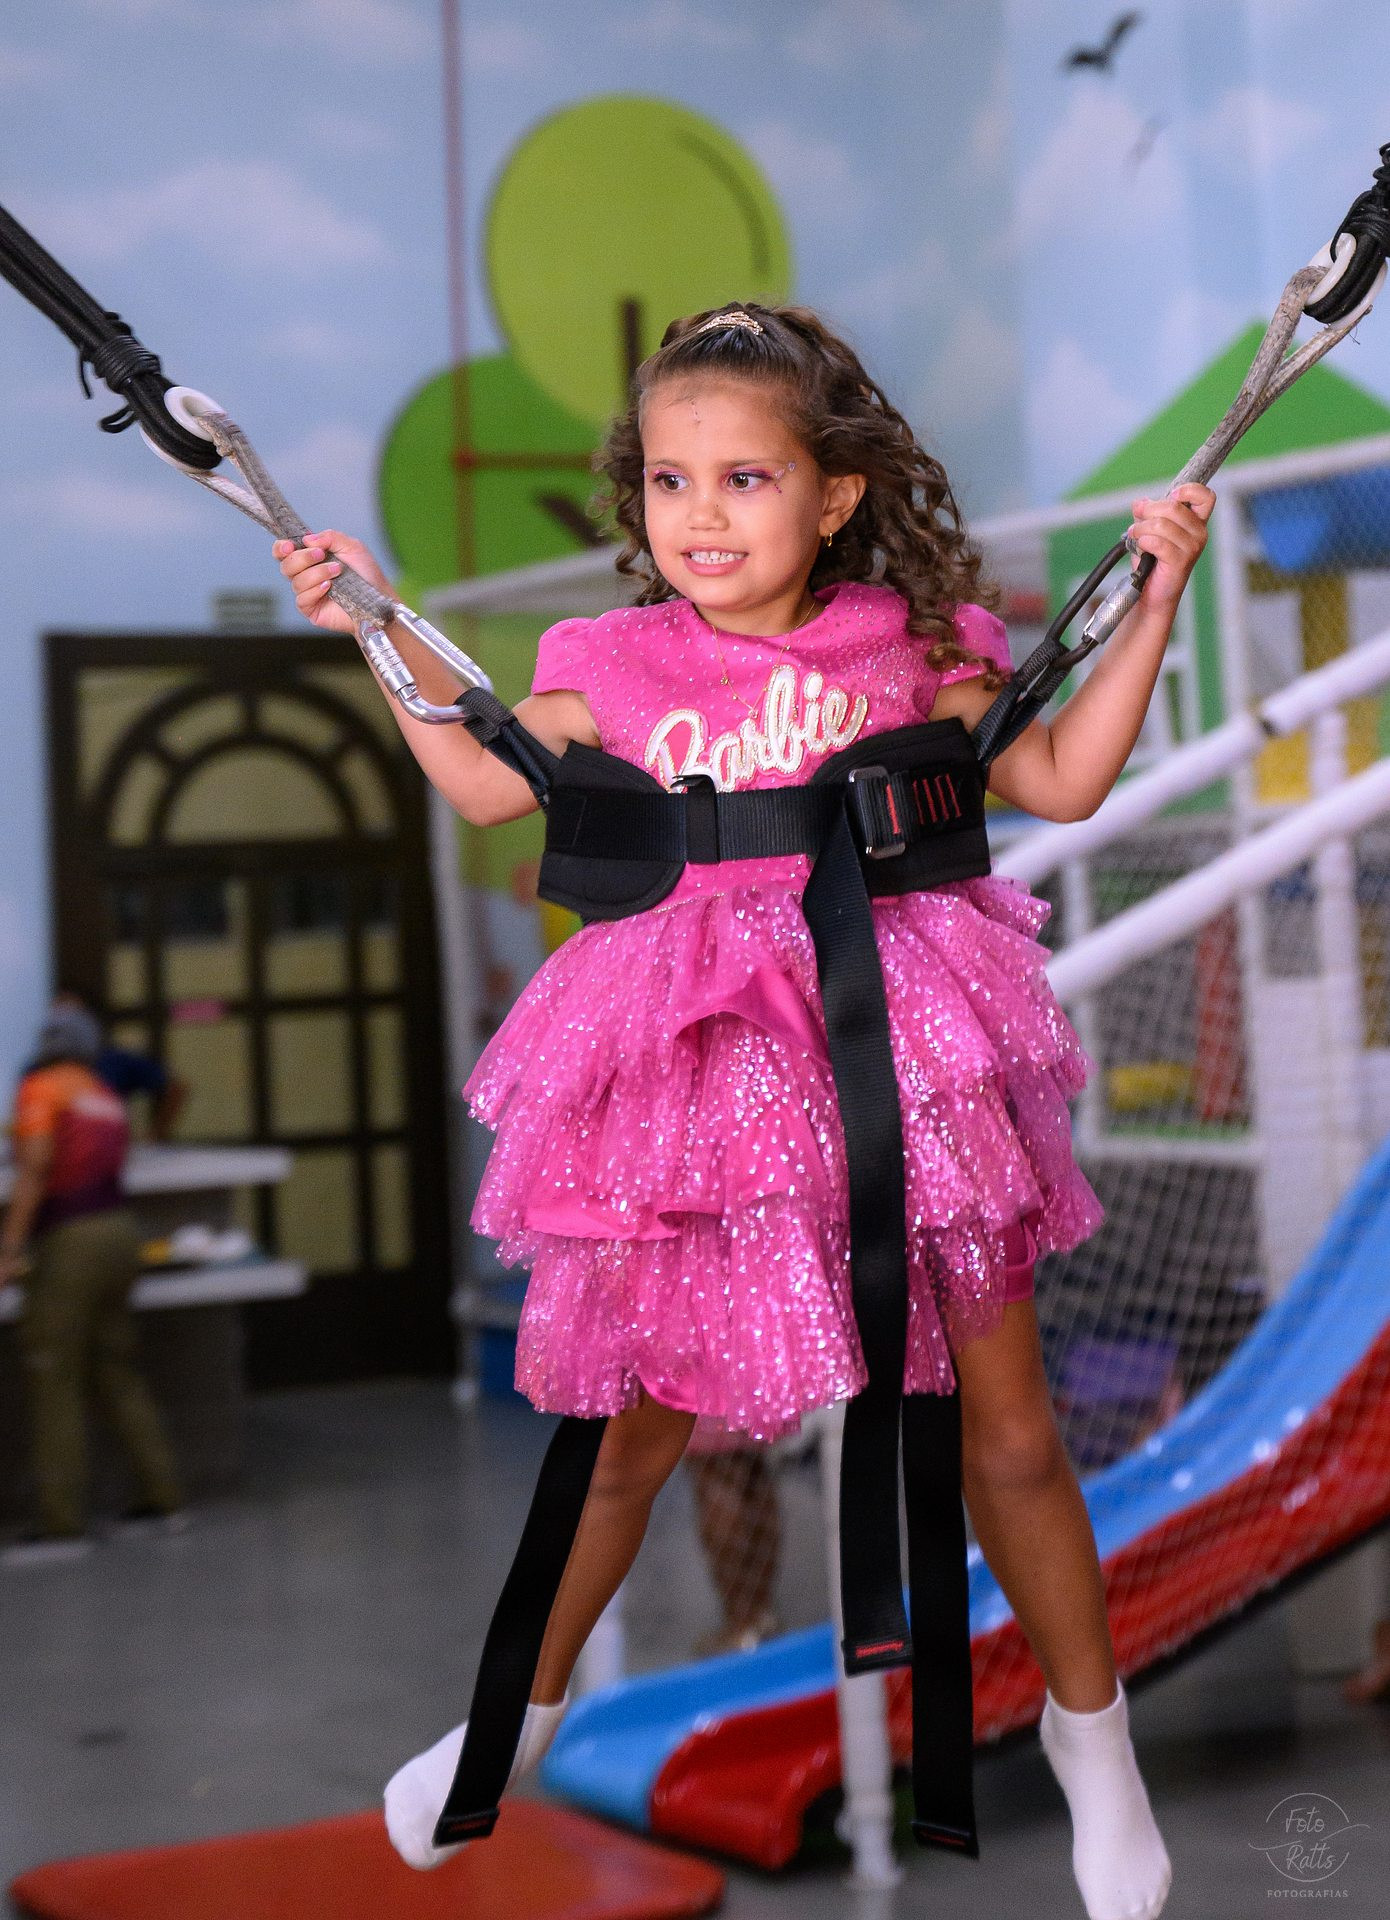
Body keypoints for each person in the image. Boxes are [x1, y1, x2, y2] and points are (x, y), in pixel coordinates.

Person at [275, 302, 1212, 1920]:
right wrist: (373, 625)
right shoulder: (607, 660)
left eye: (745, 479)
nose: (699, 517)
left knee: (1007, 1432)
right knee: (622, 1442)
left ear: (834, 495)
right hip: (703, 1086)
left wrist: (1154, 599)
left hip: (897, 1065)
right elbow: (488, 779)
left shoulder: (915, 644)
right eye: (669, 481)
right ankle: (510, 1723)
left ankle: (1094, 1744)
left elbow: (1057, 779)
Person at [1, 1002, 186, 1557]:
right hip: (120, 1234)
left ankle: (61, 1522)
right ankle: (163, 1497)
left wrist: (10, 1249)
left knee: (53, 1373)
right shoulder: (104, 1095)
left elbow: (35, 1168)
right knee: (116, 1371)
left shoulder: (41, 1089)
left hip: (71, 1241)